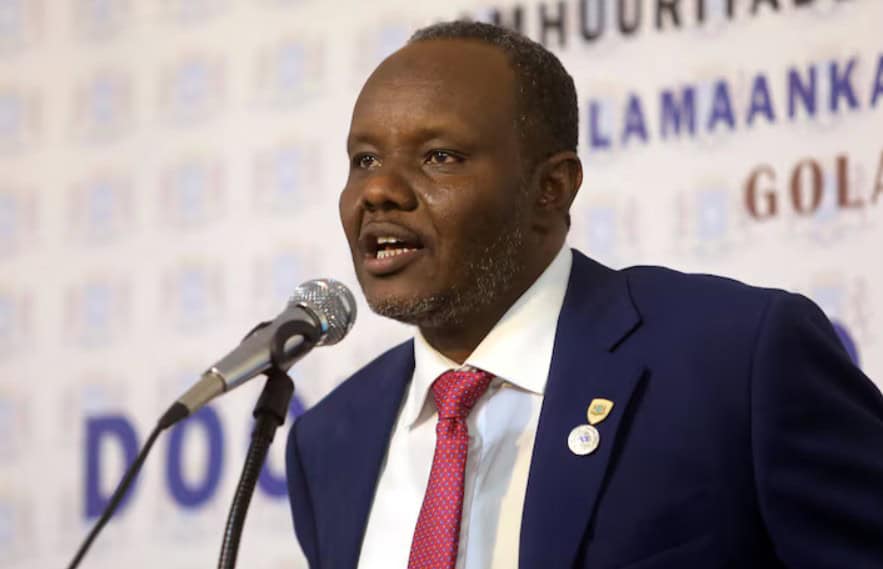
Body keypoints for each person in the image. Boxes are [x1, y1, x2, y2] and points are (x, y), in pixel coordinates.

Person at [285, 21, 883, 569]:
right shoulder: (332, 440)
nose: (379, 190)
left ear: (551, 188)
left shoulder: (736, 361)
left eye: (440, 157)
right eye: (364, 159)